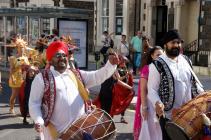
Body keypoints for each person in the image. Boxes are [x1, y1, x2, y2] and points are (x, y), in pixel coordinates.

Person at [29, 41, 119, 140]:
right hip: (55, 133)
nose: (62, 58)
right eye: (58, 55)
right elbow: (34, 103)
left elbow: (96, 76)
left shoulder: (75, 74)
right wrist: (38, 120)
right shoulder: (42, 78)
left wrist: (110, 65)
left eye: (64, 55)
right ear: (50, 59)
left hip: (80, 131)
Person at [147, 29, 204, 140]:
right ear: (165, 45)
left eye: (178, 42)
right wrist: (157, 102)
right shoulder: (157, 64)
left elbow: (194, 83)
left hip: (188, 114)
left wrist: (203, 96)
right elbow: (152, 89)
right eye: (173, 42)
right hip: (169, 116)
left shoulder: (186, 61)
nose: (176, 45)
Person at [133, 46, 163, 140]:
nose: (160, 57)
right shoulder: (147, 68)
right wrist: (144, 107)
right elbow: (143, 89)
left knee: (159, 130)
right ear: (152, 56)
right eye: (157, 55)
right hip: (149, 104)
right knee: (150, 130)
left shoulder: (164, 68)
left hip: (160, 103)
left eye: (161, 55)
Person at [8, 38, 30, 114]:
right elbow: (11, 70)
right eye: (20, 47)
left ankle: (24, 110)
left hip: (23, 77)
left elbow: (28, 68)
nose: (22, 48)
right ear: (17, 48)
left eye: (23, 47)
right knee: (14, 95)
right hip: (15, 77)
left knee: (24, 95)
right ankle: (11, 108)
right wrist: (19, 65)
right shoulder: (13, 58)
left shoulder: (26, 58)